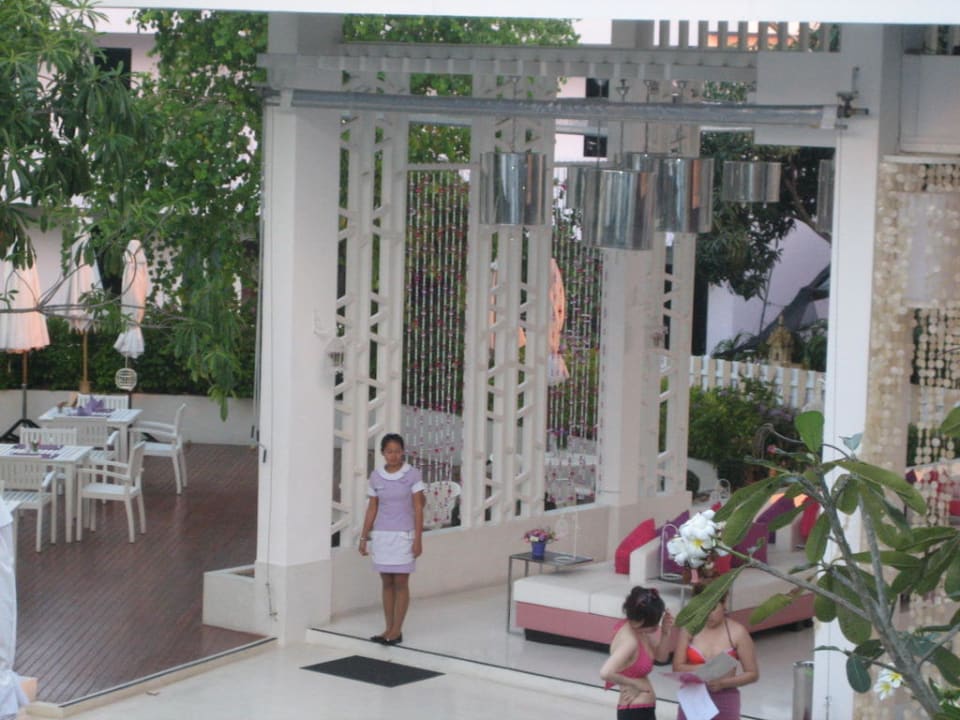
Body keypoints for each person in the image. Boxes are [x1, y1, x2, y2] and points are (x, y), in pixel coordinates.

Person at [358, 433, 425, 645]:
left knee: (401, 582)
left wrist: (418, 539)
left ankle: (397, 630)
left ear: (403, 452)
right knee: (386, 581)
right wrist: (363, 536)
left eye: (397, 451)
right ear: (382, 453)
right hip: (382, 535)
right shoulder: (376, 476)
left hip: (404, 535)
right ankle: (388, 628)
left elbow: (418, 506)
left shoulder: (412, 475)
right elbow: (372, 507)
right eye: (389, 452)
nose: (393, 456)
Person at [672, 584, 758, 720]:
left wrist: (723, 683)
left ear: (724, 604)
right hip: (693, 699)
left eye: (712, 608)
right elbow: (677, 667)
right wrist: (706, 668)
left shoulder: (738, 632)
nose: (707, 615)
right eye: (702, 609)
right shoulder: (689, 629)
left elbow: (752, 673)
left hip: (725, 699)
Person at [600, 586, 675, 720]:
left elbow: (661, 658)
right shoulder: (630, 641)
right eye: (654, 624)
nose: (656, 626)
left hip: (639, 709)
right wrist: (635, 684)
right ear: (641, 621)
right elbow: (605, 672)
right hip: (635, 710)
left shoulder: (639, 631)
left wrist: (665, 633)